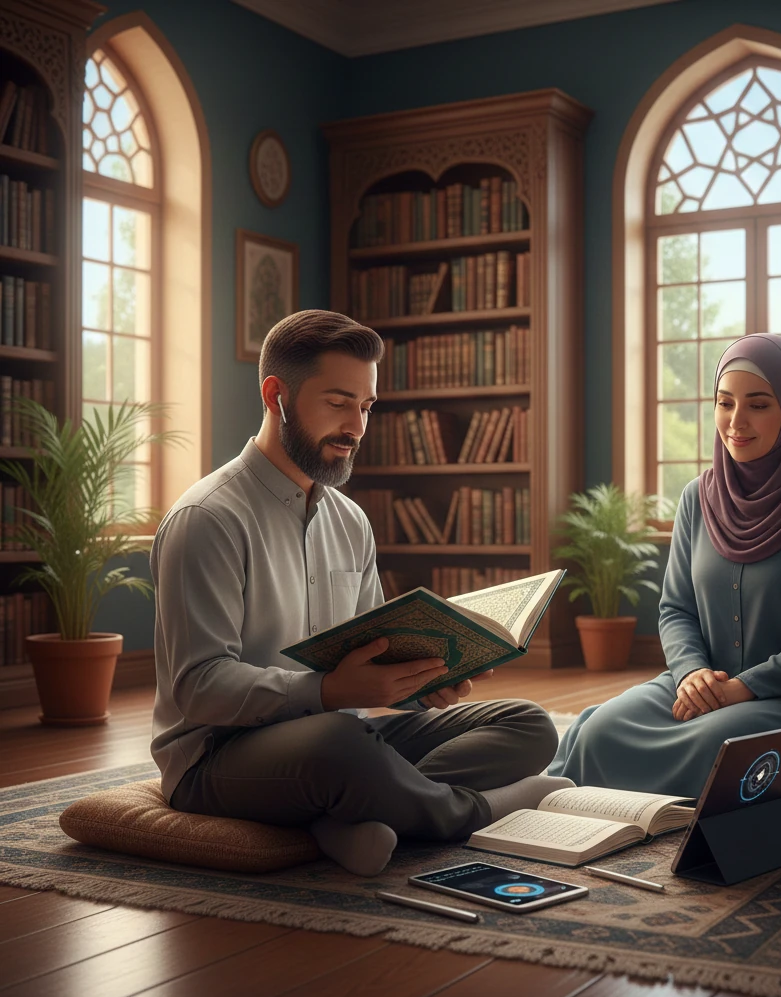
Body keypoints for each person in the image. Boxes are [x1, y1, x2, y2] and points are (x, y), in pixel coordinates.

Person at [151, 309, 571, 876]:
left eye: (366, 406)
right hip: (216, 758)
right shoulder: (208, 518)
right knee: (338, 745)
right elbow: (199, 687)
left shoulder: (349, 520)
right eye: (338, 402)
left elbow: (371, 653)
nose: (356, 425)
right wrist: (324, 691)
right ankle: (468, 812)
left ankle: (351, 815)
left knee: (528, 723)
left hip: (340, 738)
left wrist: (422, 684)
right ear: (276, 395)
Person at [548, 333, 781, 796]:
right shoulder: (698, 496)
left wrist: (744, 688)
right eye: (724, 402)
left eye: (758, 405)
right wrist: (692, 674)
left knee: (716, 746)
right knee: (599, 729)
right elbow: (676, 608)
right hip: (700, 687)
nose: (736, 421)